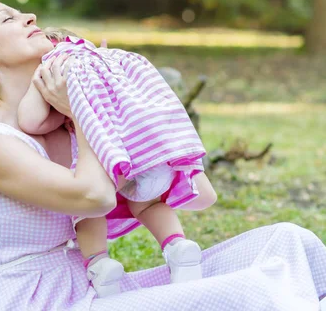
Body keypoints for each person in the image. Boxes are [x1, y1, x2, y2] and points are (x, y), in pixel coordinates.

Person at [0, 0, 326, 310]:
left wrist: (136, 105)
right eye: (8, 18)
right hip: (41, 301)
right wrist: (86, 113)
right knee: (251, 295)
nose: (30, 16)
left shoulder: (63, 122)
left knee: (287, 240)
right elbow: (92, 196)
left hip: (95, 286)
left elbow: (202, 193)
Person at [17, 32, 208, 296]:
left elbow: (31, 121)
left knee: (87, 211)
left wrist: (52, 103)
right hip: (149, 155)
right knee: (150, 203)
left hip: (109, 161)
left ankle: (99, 264)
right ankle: (177, 245)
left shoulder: (55, 66)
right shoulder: (110, 60)